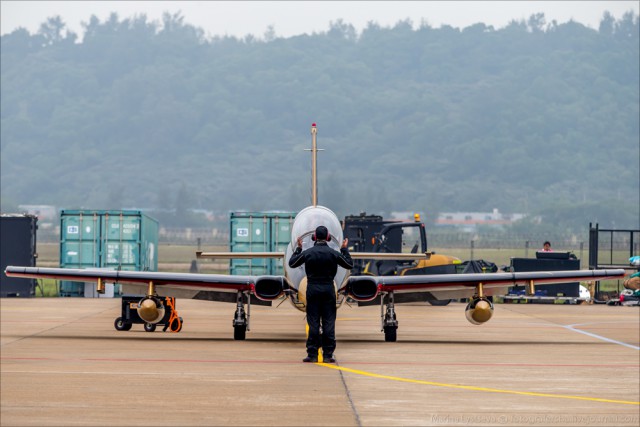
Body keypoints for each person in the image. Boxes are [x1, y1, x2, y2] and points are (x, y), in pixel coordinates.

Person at [288, 225, 353, 363]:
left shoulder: (308, 253)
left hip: (312, 289)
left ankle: (312, 354)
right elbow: (349, 264)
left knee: (313, 322)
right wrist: (344, 249)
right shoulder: (333, 254)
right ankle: (327, 355)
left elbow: (292, 263)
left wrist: (299, 248)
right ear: (328, 237)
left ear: (314, 237)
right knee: (329, 322)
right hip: (328, 289)